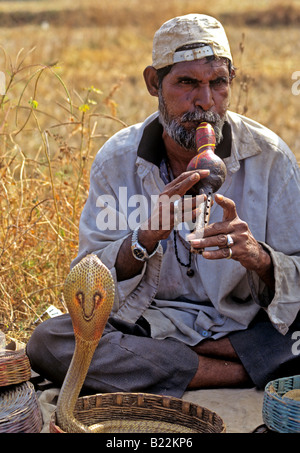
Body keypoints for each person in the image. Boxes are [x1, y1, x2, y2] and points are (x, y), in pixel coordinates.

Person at [27, 14, 300, 397]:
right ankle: (241, 371)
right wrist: (143, 239)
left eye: (218, 83)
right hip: (152, 324)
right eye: (187, 83)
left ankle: (179, 362)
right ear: (154, 83)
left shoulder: (271, 158)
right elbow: (87, 281)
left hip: (245, 325)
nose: (205, 102)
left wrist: (259, 258)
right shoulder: (116, 160)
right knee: (49, 341)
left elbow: (298, 276)